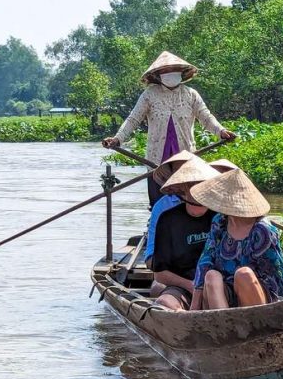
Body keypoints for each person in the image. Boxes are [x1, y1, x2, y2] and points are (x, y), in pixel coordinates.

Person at [101, 51, 236, 206]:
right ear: (158, 75)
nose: (169, 74)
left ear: (181, 73)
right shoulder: (149, 94)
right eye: (165, 71)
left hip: (186, 157)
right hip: (156, 159)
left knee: (187, 200)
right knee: (158, 203)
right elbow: (134, 119)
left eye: (173, 70)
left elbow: (206, 116)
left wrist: (221, 131)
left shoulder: (191, 94)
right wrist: (118, 138)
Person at [189, 168, 283, 309]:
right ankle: (225, 323)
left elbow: (277, 274)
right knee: (211, 276)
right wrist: (193, 309)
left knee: (243, 274)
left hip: (262, 299)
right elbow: (205, 261)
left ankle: (258, 325)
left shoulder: (262, 230)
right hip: (226, 297)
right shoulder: (219, 222)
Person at [150, 158, 222, 311]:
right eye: (192, 185)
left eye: (203, 184)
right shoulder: (168, 219)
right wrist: (192, 286)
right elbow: (160, 274)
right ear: (182, 188)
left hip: (217, 284)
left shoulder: (221, 217)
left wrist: (205, 287)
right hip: (183, 285)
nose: (198, 189)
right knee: (164, 304)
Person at [144, 152, 237, 268]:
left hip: (212, 268)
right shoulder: (163, 210)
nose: (187, 183)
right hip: (178, 269)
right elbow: (152, 256)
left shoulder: (218, 206)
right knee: (157, 286)